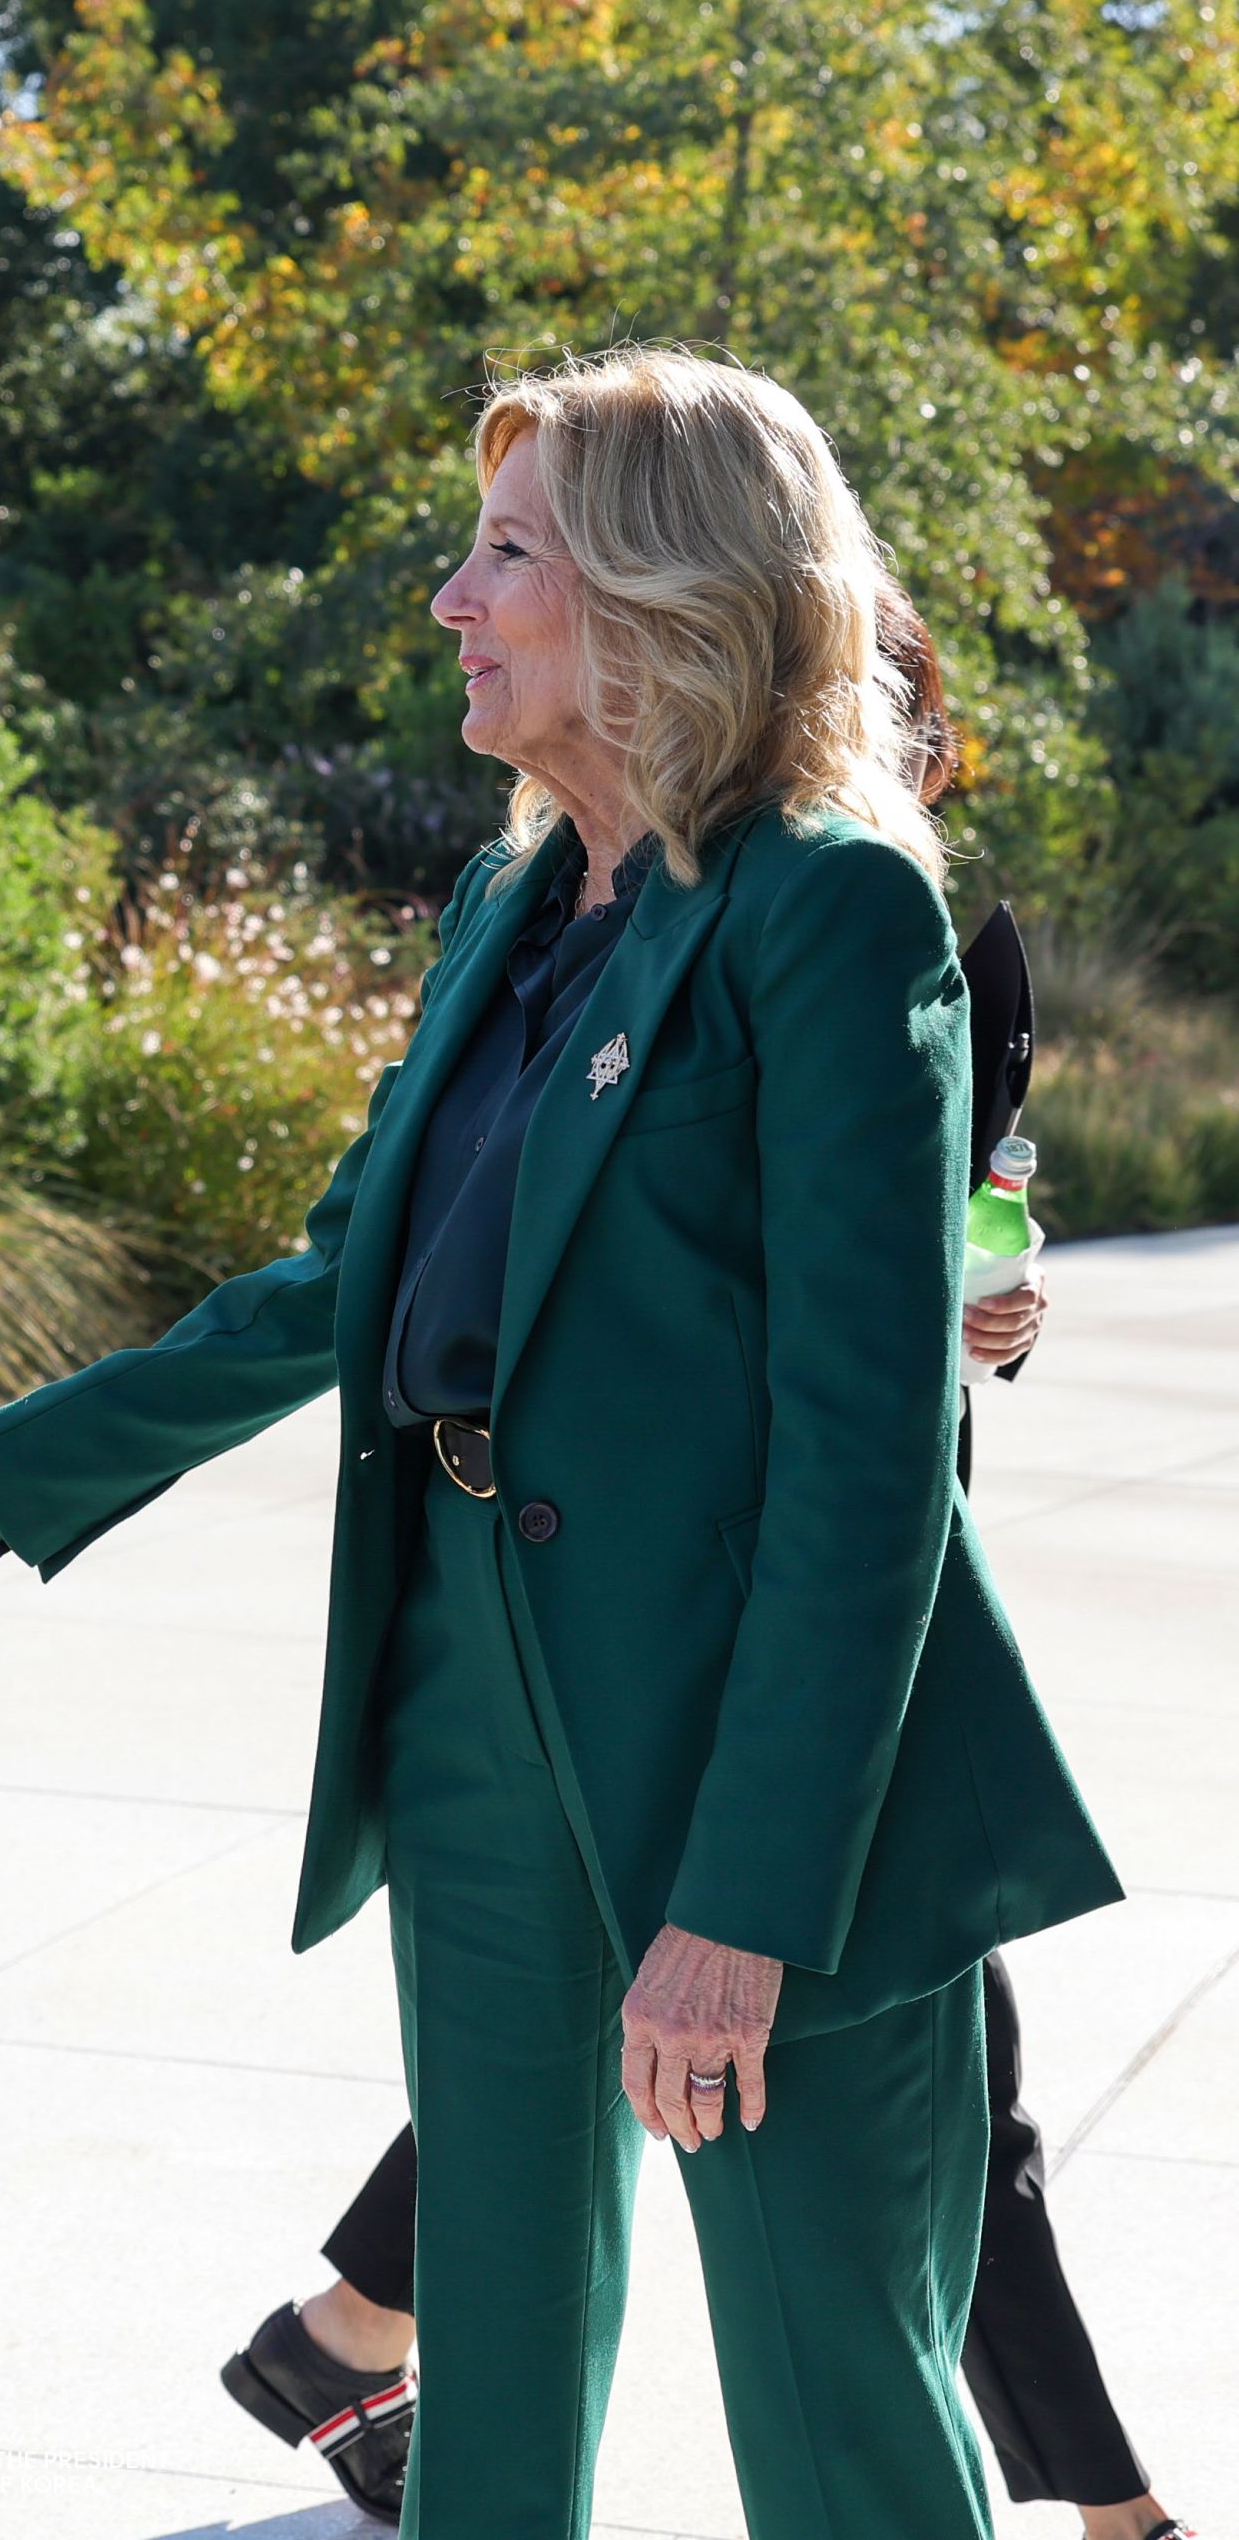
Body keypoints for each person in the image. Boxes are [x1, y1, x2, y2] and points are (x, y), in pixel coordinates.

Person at [0, 346, 1124, 2540]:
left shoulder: (829, 906)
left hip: (775, 1755)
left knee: (832, 2410)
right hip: (471, 1696)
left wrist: (745, 1905)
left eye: (505, 554)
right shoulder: (507, 911)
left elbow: (870, 1462)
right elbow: (338, 1285)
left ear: (663, 599)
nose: (447, 600)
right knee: (488, 2374)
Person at [217, 590, 1198, 2540]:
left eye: (917, 733)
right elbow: (374, 1274)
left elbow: (935, 1273)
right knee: (661, 2180)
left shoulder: (884, 930)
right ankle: (346, 2332)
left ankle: (342, 2332)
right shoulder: (544, 914)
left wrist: (986, 1300)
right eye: (879, 716)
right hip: (573, 1670)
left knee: (866, 2222)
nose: (897, 761)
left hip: (821, 1665)